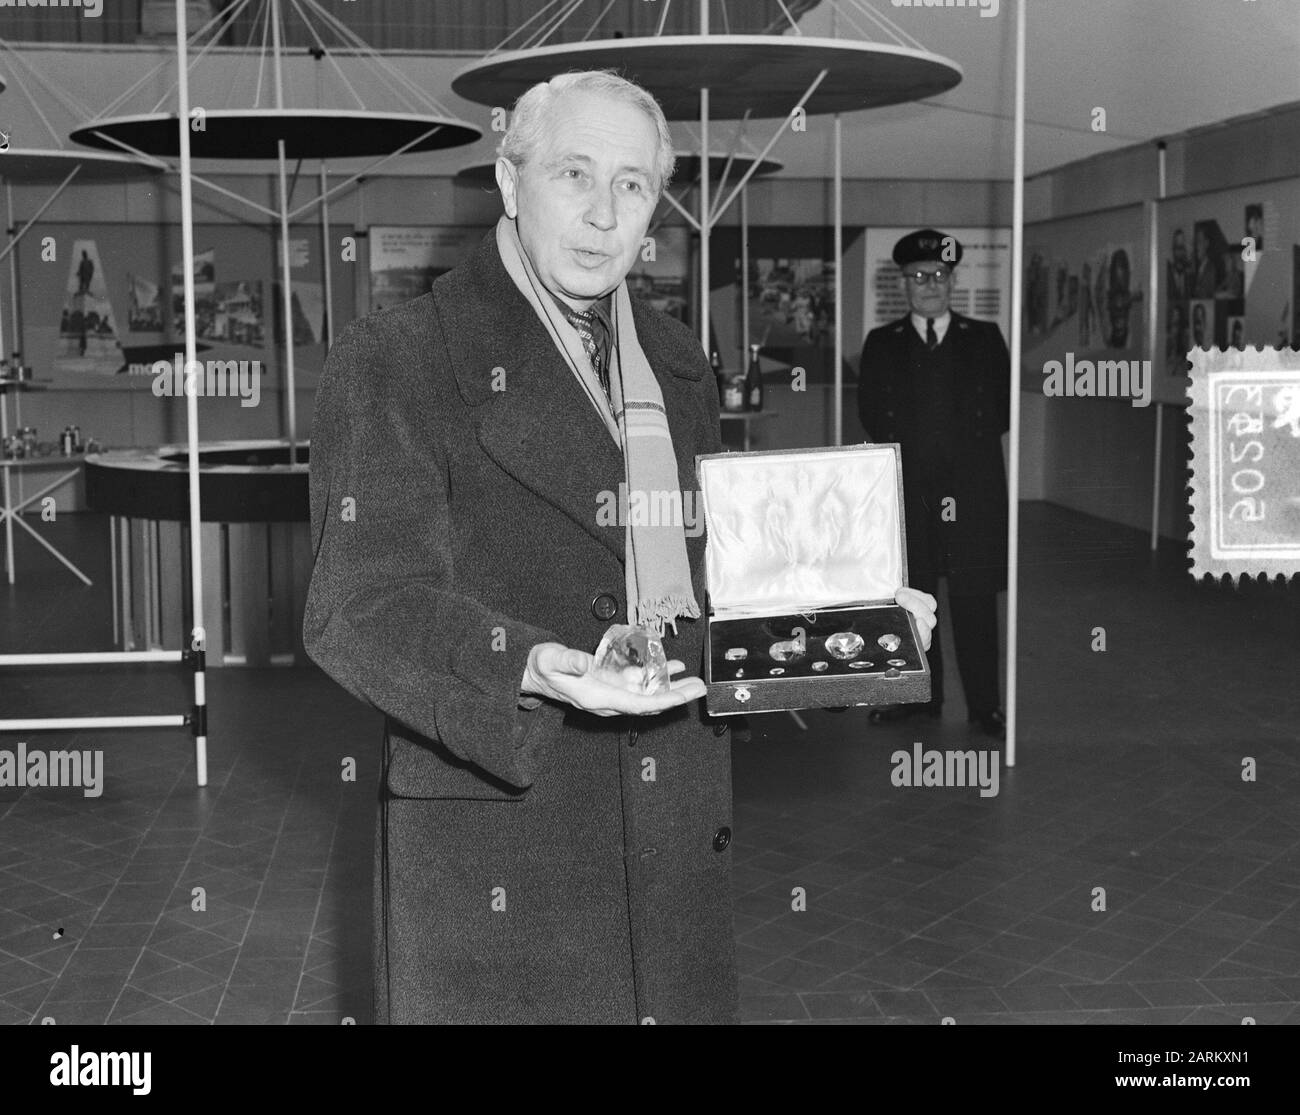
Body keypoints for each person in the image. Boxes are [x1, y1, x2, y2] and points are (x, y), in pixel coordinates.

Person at [303, 69, 936, 1025]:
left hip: (670, 812)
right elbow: (358, 606)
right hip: (505, 835)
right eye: (574, 175)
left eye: (633, 185)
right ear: (512, 186)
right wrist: (535, 665)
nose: (604, 214)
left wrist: (844, 608)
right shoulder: (397, 358)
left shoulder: (676, 361)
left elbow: (704, 563)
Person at [858, 229, 1009, 740]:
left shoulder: (985, 338)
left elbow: (1002, 415)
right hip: (910, 498)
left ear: (952, 281)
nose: (930, 285)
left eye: (939, 276)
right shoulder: (882, 344)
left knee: (973, 603)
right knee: (914, 601)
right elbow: (872, 417)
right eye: (919, 276)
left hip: (972, 498)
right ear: (903, 283)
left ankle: (985, 706)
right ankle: (919, 699)